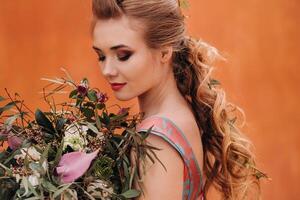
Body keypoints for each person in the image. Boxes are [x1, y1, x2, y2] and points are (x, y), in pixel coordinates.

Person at [90, 0, 263, 199]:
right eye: (101, 56)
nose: (107, 71)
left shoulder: (156, 138)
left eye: (123, 55)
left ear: (165, 51)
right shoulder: (180, 113)